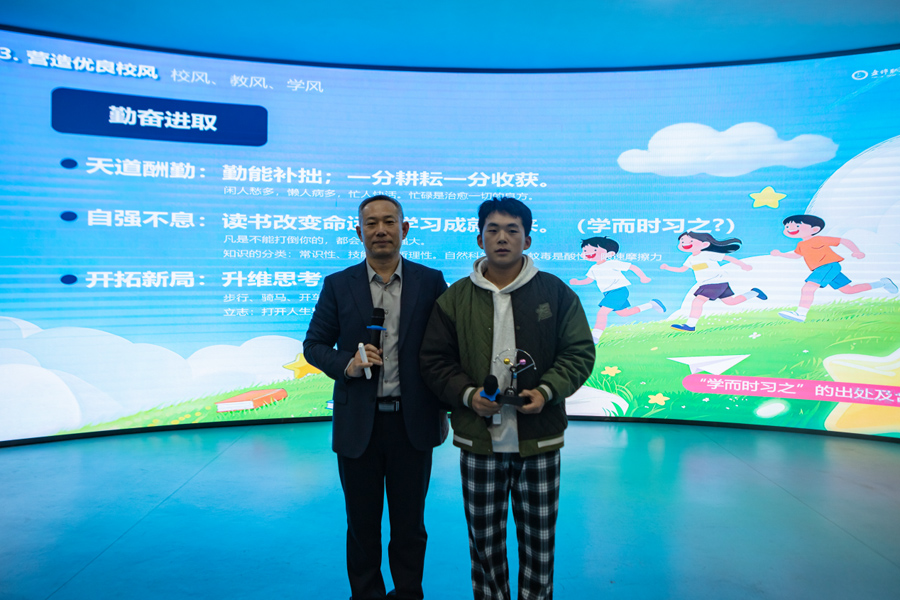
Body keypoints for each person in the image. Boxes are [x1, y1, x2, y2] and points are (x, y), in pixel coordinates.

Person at [420, 197, 594, 600]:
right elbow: (434, 360)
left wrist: (546, 391)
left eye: (512, 230)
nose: (502, 238)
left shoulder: (554, 292)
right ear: (479, 238)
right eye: (493, 230)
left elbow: (579, 352)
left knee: (540, 544)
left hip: (539, 438)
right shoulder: (455, 298)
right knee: (484, 544)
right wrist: (468, 396)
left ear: (527, 240)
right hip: (479, 440)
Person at [303, 195, 448, 600]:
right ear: (359, 232)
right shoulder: (338, 284)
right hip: (358, 427)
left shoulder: (430, 281)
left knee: (409, 525)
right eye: (371, 223)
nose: (380, 230)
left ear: (405, 229)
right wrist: (347, 364)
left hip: (412, 423)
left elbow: (446, 345)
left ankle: (408, 593)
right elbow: (314, 345)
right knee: (361, 526)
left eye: (389, 222)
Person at [771, 214, 897, 322]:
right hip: (823, 269)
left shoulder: (819, 239)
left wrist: (856, 251)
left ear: (815, 229)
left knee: (808, 288)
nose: (790, 229)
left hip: (828, 266)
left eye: (797, 226)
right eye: (787, 227)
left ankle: (801, 314)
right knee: (848, 290)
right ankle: (882, 283)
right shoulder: (801, 244)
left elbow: (844, 241)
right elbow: (796, 255)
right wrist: (781, 254)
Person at [661, 231, 767, 331]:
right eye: (682, 242)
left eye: (690, 241)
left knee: (698, 301)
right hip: (713, 283)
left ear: (705, 244)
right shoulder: (690, 259)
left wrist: (743, 265)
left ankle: (690, 325)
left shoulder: (707, 254)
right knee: (731, 302)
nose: (685, 244)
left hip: (714, 282)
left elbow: (727, 258)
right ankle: (754, 292)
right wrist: (667, 267)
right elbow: (682, 269)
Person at [568, 235, 665, 342]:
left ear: (610, 253)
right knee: (624, 313)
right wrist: (578, 282)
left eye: (594, 250)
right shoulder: (593, 268)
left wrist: (643, 277)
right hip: (608, 293)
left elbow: (632, 267)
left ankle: (595, 336)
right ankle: (652, 304)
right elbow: (589, 280)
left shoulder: (612, 263)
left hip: (618, 291)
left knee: (602, 312)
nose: (588, 253)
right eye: (585, 251)